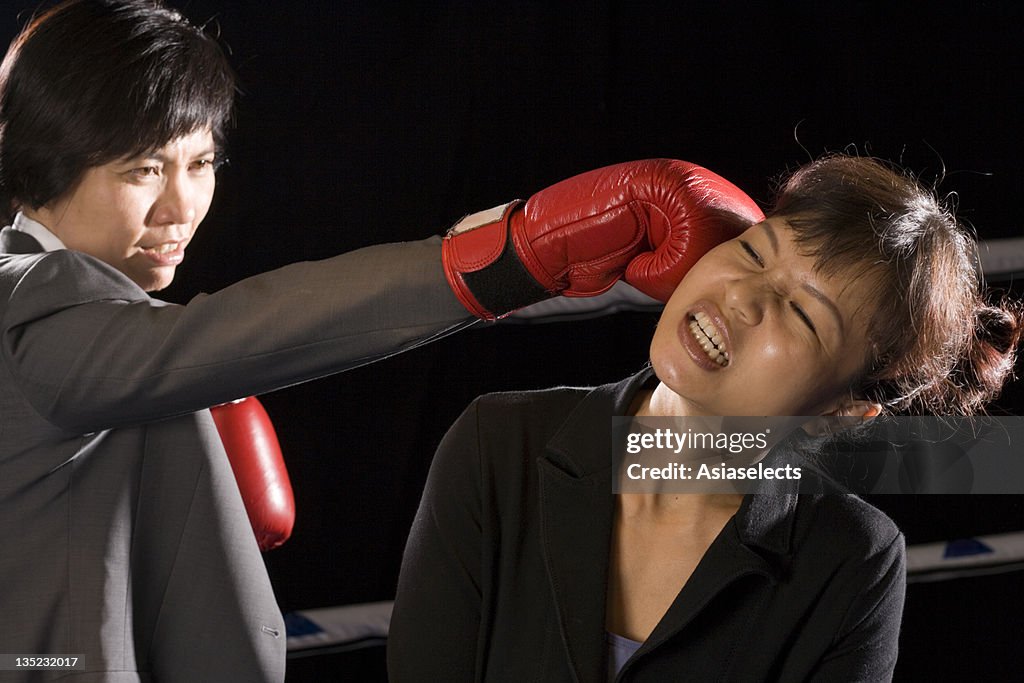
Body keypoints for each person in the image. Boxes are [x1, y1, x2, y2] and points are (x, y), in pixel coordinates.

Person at [0, 1, 764, 680]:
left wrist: (621, 271)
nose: (179, 207)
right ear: (39, 165)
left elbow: (328, 307)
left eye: (199, 162)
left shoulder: (105, 309)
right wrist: (520, 252)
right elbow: (274, 324)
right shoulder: (24, 302)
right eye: (142, 169)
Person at [388, 154, 1024, 682]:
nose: (743, 297)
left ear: (841, 414)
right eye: (752, 253)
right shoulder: (498, 444)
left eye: (803, 316)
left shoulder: (852, 560)